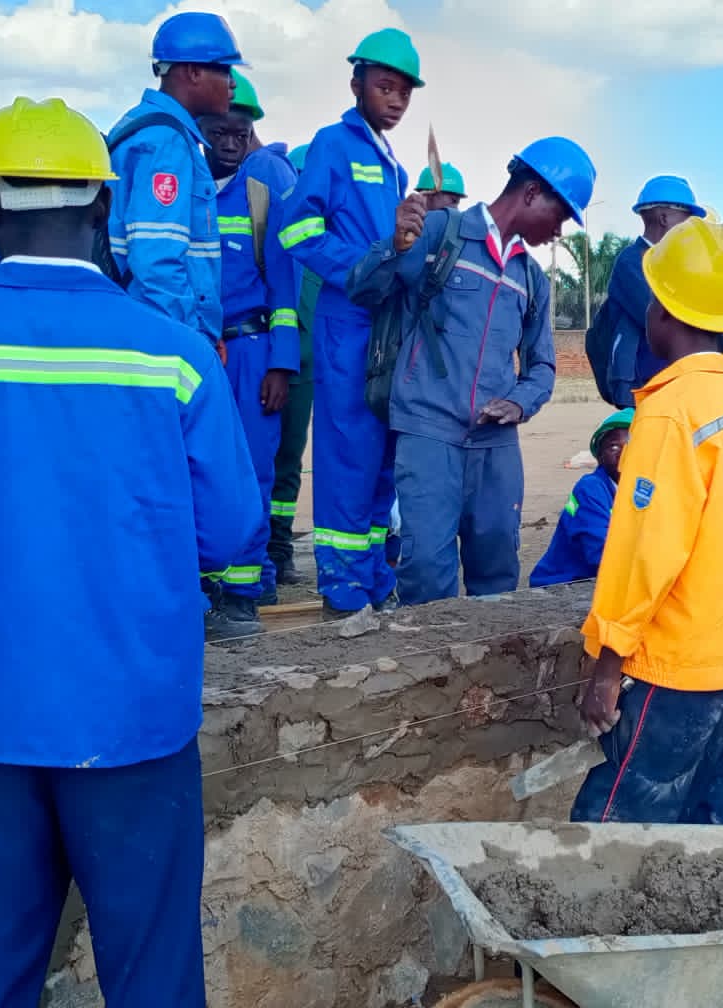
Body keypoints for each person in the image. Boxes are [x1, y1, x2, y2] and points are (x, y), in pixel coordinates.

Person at [0, 97, 259, 1005]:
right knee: (153, 978)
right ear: (105, 208)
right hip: (135, 717)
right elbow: (233, 533)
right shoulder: (175, 355)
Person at [571, 215, 723, 824]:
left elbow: (645, 553)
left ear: (662, 311)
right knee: (702, 835)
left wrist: (608, 667)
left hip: (671, 672)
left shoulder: (668, 415)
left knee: (611, 835)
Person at [351, 137, 590, 605]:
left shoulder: (531, 278)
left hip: (495, 446)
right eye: (560, 215)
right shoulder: (442, 233)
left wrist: (519, 402)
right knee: (426, 573)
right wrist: (395, 247)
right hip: (428, 433)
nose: (558, 231)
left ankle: (488, 657)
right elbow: (363, 289)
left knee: (497, 571)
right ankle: (429, 652)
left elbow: (543, 366)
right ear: (531, 192)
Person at [281, 27, 421, 617]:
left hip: (386, 324)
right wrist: (366, 263)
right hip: (346, 322)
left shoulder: (394, 166)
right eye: (385, 87)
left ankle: (373, 577)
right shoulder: (332, 146)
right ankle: (342, 587)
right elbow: (297, 231)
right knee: (348, 455)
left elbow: (394, 247)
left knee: (382, 455)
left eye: (404, 92)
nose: (395, 100)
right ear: (356, 83)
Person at [198, 75, 301, 631]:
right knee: (197, 468)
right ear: (201, 130)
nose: (233, 141)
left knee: (253, 471)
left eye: (242, 132)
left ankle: (244, 592)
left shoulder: (261, 193)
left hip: (252, 352)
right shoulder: (185, 193)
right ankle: (206, 584)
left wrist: (281, 364)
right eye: (221, 131)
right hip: (197, 354)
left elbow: (284, 286)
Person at [106, 11, 241, 340]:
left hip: (136, 321)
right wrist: (191, 339)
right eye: (225, 70)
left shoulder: (140, 125)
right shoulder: (166, 143)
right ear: (193, 72)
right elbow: (157, 263)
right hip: (158, 332)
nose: (233, 84)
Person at [590, 174, 702, 407]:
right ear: (664, 218)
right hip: (639, 385)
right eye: (687, 218)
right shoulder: (632, 262)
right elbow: (664, 316)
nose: (691, 227)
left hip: (670, 380)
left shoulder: (673, 263)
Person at [268, 140, 318, 587]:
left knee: (288, 458)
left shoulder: (326, 248)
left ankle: (279, 548)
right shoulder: (278, 236)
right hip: (270, 364)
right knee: (259, 456)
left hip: (310, 370)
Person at [529, 409, 633, 588]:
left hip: (606, 578)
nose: (623, 454)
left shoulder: (655, 488)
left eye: (634, 446)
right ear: (599, 456)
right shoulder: (590, 489)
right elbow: (601, 553)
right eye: (614, 447)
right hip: (565, 584)